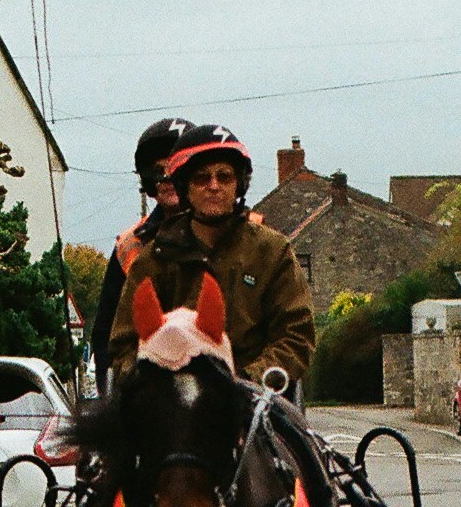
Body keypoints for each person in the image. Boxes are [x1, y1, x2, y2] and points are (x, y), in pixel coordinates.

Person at [112, 124, 316, 388]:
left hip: (256, 399)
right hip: (173, 402)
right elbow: (124, 344)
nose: (213, 186)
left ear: (239, 185)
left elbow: (296, 336)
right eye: (201, 178)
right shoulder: (154, 258)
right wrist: (159, 384)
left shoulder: (271, 251)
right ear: (185, 188)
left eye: (225, 176)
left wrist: (244, 381)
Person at [90, 115, 200, 388]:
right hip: (153, 386)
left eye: (177, 168)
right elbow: (106, 335)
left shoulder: (242, 233)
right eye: (159, 170)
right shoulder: (130, 246)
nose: (167, 179)